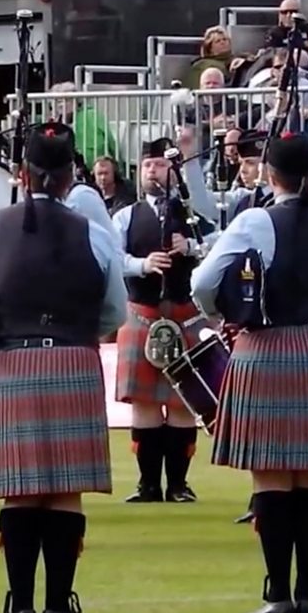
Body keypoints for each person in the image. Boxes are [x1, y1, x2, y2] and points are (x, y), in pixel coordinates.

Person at [0, 123, 125, 613]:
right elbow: (115, 313)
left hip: (13, 358)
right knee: (65, 490)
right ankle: (59, 605)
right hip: (74, 359)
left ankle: (20, 604)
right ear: (69, 178)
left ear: (22, 173)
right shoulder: (95, 233)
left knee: (20, 489)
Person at [193, 132, 308, 613]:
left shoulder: (254, 221)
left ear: (270, 174)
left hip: (269, 346)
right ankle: (306, 594)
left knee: (273, 478)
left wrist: (223, 315)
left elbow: (202, 282)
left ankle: (278, 596)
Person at [111, 138, 217, 504]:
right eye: (147, 165)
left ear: (172, 169)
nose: (152, 171)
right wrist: (142, 265)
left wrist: (191, 247)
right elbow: (113, 256)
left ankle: (179, 485)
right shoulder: (126, 215)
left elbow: (218, 240)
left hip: (184, 315)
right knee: (143, 404)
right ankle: (147, 485)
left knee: (180, 403)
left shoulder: (190, 211)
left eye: (158, 164)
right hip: (143, 314)